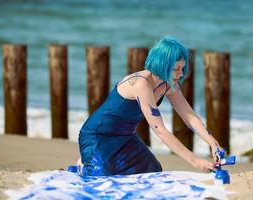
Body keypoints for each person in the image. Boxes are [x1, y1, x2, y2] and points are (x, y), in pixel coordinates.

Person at [78, 36, 223, 176]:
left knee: (153, 171)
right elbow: (160, 130)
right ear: (162, 64)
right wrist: (194, 160)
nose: (180, 74)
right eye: (176, 69)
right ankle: (83, 165)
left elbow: (190, 117)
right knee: (100, 177)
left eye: (182, 68)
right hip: (97, 136)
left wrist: (213, 143)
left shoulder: (169, 85)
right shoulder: (140, 84)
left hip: (126, 137)